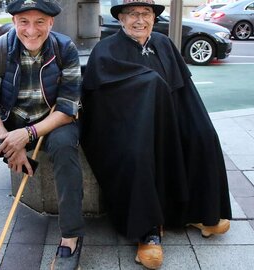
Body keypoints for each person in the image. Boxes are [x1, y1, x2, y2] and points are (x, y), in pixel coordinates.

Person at [80, 0, 232, 269]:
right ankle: (147, 231)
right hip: (126, 125)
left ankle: (197, 211)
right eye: (133, 14)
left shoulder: (163, 43)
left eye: (146, 14)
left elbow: (183, 87)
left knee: (203, 135)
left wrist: (194, 121)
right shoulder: (106, 49)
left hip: (168, 116)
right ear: (122, 19)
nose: (140, 20)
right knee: (139, 153)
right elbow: (101, 104)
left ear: (153, 18)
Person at [0, 1, 84, 269]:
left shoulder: (65, 48)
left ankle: (71, 237)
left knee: (66, 148)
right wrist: (9, 142)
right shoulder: (0, 48)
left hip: (51, 123)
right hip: (9, 122)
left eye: (40, 22)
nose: (31, 30)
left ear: (51, 23)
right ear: (14, 21)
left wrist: (27, 134)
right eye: (24, 21)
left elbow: (67, 109)